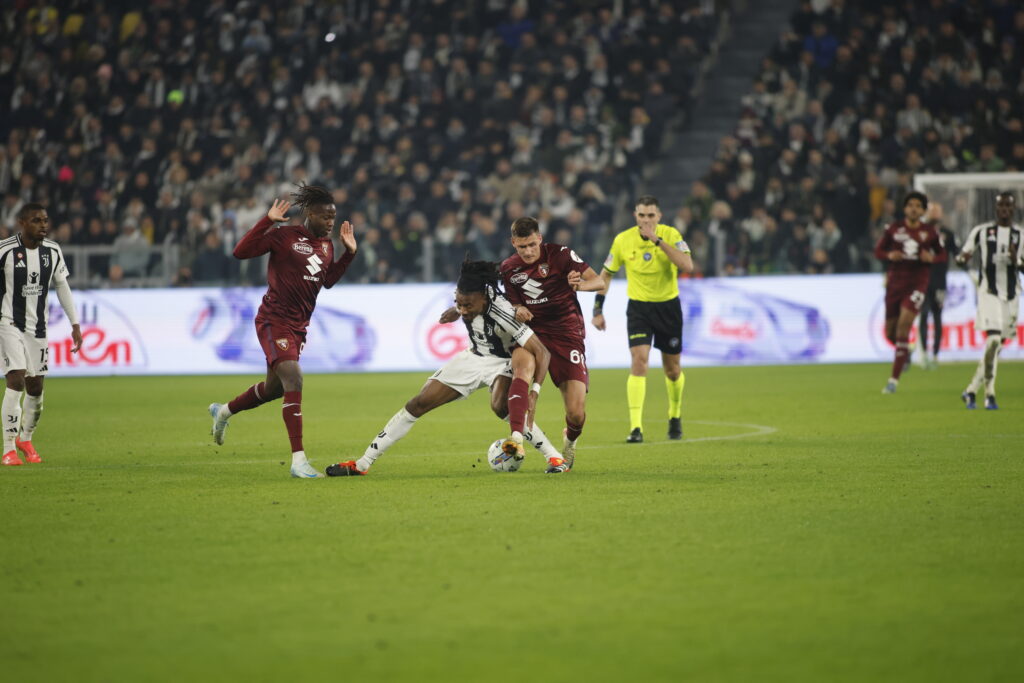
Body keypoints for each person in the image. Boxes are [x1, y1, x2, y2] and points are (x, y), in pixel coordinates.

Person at [325, 258, 563, 476]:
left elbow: (541, 351)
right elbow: (464, 304)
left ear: (483, 298)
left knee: (500, 405)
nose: (464, 309)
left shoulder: (503, 310)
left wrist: (535, 390)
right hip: (473, 356)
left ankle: (554, 457)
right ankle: (362, 464)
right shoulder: (467, 293)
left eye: (468, 305)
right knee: (417, 403)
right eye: (459, 302)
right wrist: (456, 311)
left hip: (503, 361)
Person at [207, 185, 357, 478]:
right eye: (326, 217)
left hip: (299, 327)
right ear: (310, 213)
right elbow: (240, 252)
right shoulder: (284, 237)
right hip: (273, 320)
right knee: (294, 377)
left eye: (334, 217)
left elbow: (326, 282)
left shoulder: (327, 246)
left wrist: (349, 255)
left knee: (275, 388)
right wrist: (267, 222)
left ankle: (223, 411)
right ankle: (298, 461)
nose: (330, 223)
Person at [574, 195, 694, 442]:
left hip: (668, 307)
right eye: (642, 215)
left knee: (672, 370)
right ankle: (636, 428)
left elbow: (687, 265)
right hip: (639, 309)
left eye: (651, 215)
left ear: (659, 216)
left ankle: (674, 415)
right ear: (635, 216)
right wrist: (598, 310)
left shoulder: (671, 235)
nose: (646, 220)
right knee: (639, 362)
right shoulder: (622, 240)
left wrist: (657, 241)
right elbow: (605, 276)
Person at [500, 216, 604, 473]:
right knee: (521, 371)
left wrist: (580, 285)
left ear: (540, 239)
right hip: (533, 333)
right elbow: (512, 303)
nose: (527, 251)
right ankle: (516, 439)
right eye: (521, 247)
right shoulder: (508, 269)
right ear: (514, 243)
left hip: (567, 334)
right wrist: (518, 308)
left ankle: (570, 440)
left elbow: (599, 281)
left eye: (532, 245)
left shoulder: (561, 255)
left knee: (576, 413)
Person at [1, 203, 84, 466]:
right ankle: (8, 448)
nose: (43, 225)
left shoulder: (53, 252)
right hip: (8, 323)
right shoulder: (5, 251)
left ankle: (26, 438)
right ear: (22, 223)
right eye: (36, 220)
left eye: (45, 220)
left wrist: (75, 324)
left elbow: (63, 287)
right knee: (16, 380)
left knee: (36, 388)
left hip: (38, 328)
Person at [956, 192, 1023, 410]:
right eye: (1001, 205)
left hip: (1012, 296)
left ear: (1013, 209)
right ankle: (990, 395)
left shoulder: (1021, 235)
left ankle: (970, 391)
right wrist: (961, 259)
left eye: (1008, 206)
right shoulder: (981, 232)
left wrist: (1017, 261)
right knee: (993, 340)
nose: (1004, 209)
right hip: (989, 293)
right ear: (996, 208)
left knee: (995, 348)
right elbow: (963, 255)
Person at [873, 191, 945, 394]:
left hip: (917, 283)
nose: (914, 209)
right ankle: (907, 349)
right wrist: (889, 255)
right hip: (895, 284)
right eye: (910, 205)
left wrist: (931, 258)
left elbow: (942, 254)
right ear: (905, 209)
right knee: (890, 334)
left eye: (918, 206)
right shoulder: (893, 229)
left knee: (904, 327)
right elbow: (878, 252)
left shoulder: (930, 232)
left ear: (923, 211)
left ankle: (893, 381)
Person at [916, 204, 958, 369]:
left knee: (938, 316)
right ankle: (924, 354)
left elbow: (957, 253)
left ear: (940, 213)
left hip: (940, 282)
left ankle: (935, 355)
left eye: (937, 210)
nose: (934, 213)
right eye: (931, 210)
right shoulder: (920, 233)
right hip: (922, 281)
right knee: (924, 314)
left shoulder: (948, 234)